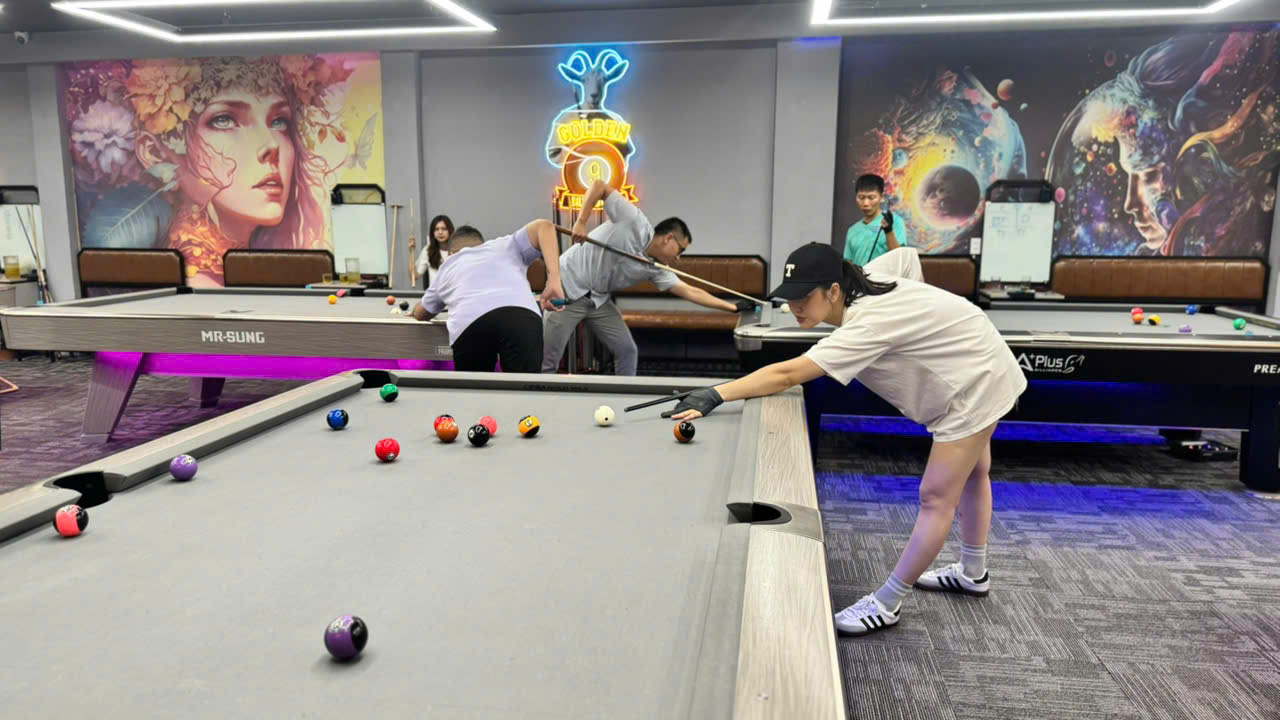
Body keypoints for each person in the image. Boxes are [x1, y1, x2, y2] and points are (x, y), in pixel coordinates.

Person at [669, 243, 1026, 636]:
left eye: (804, 298)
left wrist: (716, 393)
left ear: (834, 291)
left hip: (975, 385)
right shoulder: (867, 276)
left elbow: (788, 374)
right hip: (983, 355)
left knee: (936, 497)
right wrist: (926, 323)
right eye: (789, 298)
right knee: (975, 473)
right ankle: (973, 573)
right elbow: (906, 255)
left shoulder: (865, 325)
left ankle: (887, 603)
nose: (794, 308)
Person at [542, 179, 755, 375]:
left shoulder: (657, 268)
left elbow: (690, 291)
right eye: (680, 249)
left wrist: (732, 307)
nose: (678, 258)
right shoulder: (633, 220)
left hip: (597, 300)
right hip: (566, 287)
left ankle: (624, 397)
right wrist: (581, 222)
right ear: (668, 238)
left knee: (627, 351)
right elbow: (599, 185)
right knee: (548, 361)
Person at [412, 222, 566, 373]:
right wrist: (554, 280)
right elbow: (545, 226)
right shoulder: (504, 244)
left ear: (451, 252)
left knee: (476, 389)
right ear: (482, 244)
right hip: (521, 316)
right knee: (524, 386)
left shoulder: (447, 266)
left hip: (470, 325)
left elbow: (422, 313)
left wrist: (413, 311)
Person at [844, 174, 908, 266]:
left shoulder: (896, 222)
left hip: (885, 275)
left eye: (871, 197)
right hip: (858, 276)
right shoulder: (852, 230)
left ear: (882, 197)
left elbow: (899, 258)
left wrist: (888, 231)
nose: (866, 203)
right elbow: (848, 263)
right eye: (861, 198)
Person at [416, 214, 455, 289]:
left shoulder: (457, 250)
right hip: (435, 294)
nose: (440, 232)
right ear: (432, 232)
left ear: (450, 230)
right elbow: (415, 276)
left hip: (453, 293)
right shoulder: (428, 250)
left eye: (444, 229)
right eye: (436, 229)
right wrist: (411, 251)